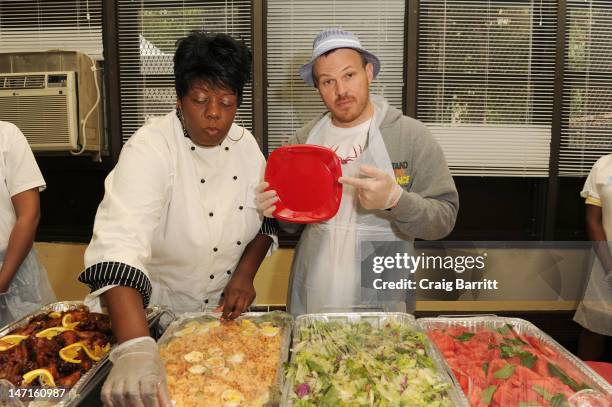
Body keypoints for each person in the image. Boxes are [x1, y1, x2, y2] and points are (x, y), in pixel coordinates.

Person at [78, 31, 276, 406]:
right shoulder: (151, 149)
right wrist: (136, 347)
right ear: (180, 100)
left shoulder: (246, 146)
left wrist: (243, 277)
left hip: (216, 319)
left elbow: (264, 221)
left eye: (227, 102)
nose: (214, 113)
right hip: (146, 317)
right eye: (201, 100)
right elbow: (119, 244)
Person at [257, 28, 458, 315]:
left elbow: (443, 219)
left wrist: (395, 200)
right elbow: (292, 227)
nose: (341, 91)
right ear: (317, 87)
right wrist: (278, 208)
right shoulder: (303, 142)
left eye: (349, 75)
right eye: (328, 81)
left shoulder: (411, 136)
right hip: (314, 291)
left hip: (383, 295)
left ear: (369, 72)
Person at [0, 121, 55, 327]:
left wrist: (2, 282)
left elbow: (29, 214)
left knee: (24, 351)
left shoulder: (6, 135)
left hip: (12, 270)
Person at [575, 154, 612, 361]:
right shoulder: (604, 165)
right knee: (594, 328)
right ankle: (585, 387)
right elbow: (593, 221)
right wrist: (610, 268)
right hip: (606, 261)